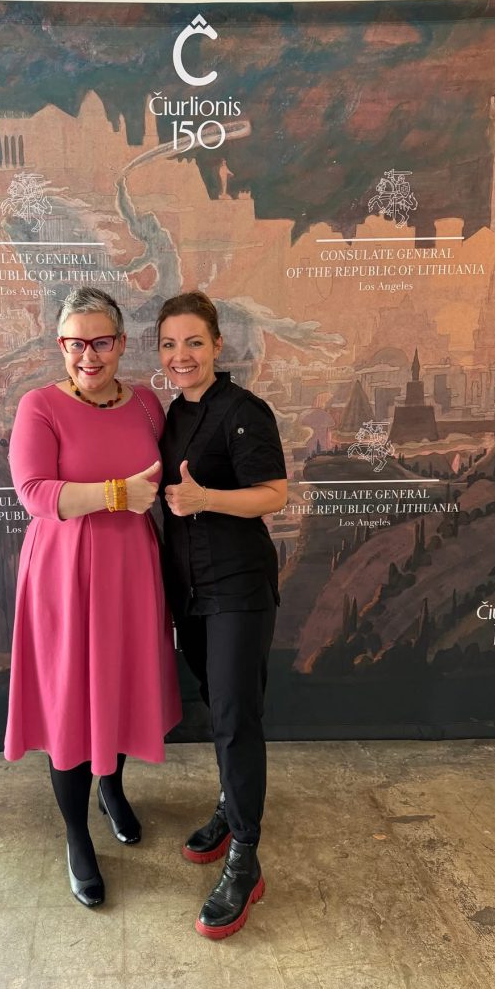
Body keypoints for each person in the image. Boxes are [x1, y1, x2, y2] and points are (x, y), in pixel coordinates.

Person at [4, 286, 181, 908]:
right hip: (64, 573)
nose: (88, 355)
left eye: (101, 342)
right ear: (61, 346)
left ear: (122, 343)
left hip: (131, 569)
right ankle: (77, 835)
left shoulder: (148, 405)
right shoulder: (40, 406)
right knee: (70, 702)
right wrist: (114, 495)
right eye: (75, 343)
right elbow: (34, 492)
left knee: (118, 686)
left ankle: (111, 788)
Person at [157, 290, 287, 940]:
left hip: (238, 587)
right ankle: (231, 806)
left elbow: (275, 494)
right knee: (218, 704)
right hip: (191, 592)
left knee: (236, 719)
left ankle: (246, 858)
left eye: (193, 342)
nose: (181, 355)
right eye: (169, 344)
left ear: (217, 345)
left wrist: (206, 497)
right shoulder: (173, 414)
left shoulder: (243, 411)